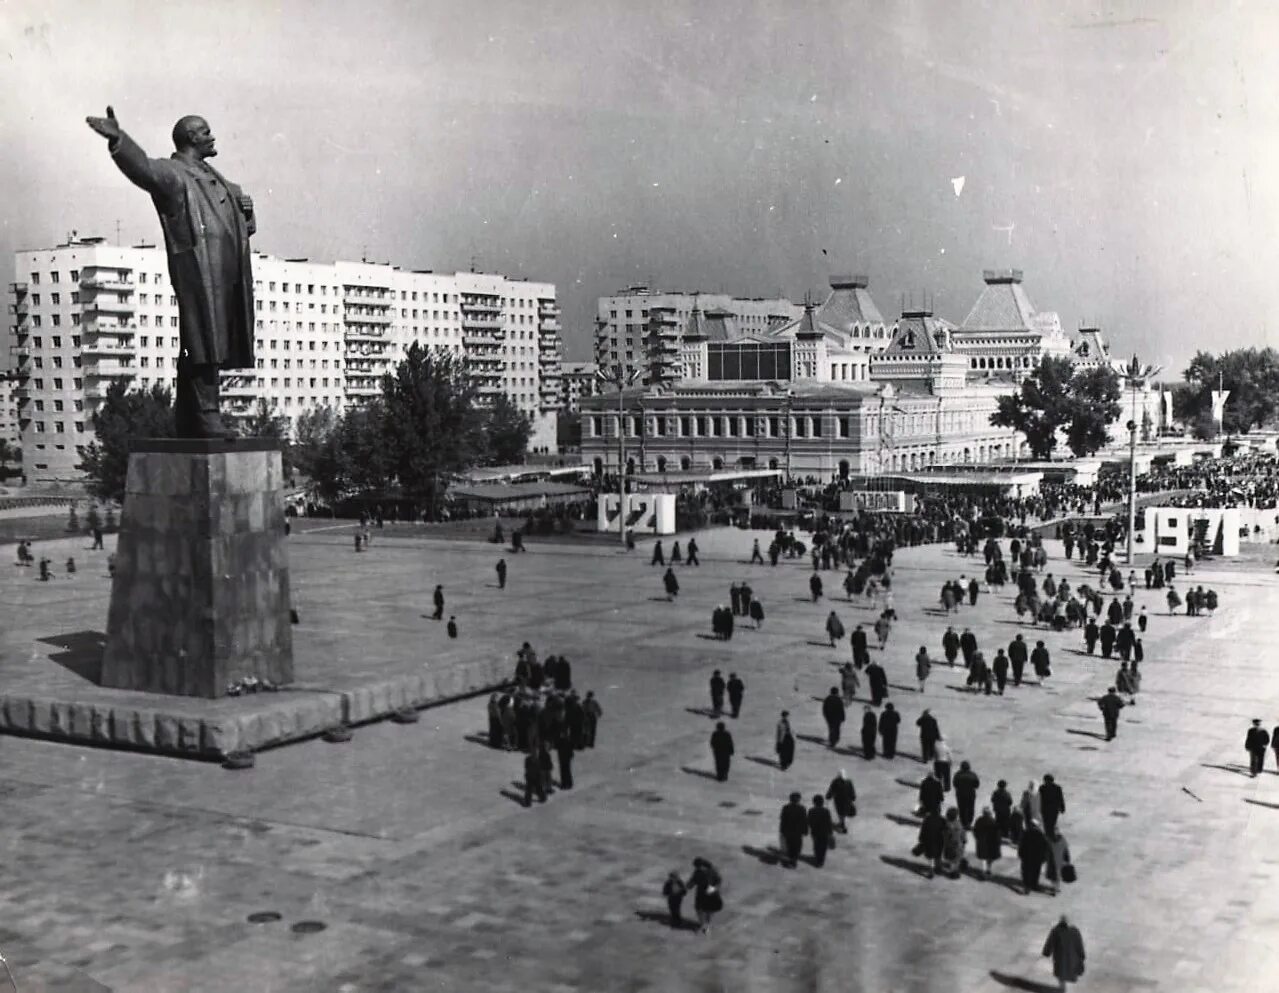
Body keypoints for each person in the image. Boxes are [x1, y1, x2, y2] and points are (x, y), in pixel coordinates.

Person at [86, 106, 256, 437]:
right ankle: (207, 415)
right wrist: (120, 141)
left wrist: (247, 217)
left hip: (226, 274)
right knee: (204, 340)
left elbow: (241, 231)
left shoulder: (219, 180)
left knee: (212, 342)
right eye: (206, 132)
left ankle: (190, 419)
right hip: (200, 273)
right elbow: (145, 169)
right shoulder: (175, 175)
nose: (212, 137)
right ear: (191, 138)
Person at [1043, 915, 1086, 991]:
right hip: (1072, 958)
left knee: (1061, 974)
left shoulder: (1056, 931)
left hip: (1060, 959)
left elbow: (1050, 943)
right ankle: (1065, 988)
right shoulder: (1074, 931)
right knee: (1070, 971)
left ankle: (1062, 988)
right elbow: (1079, 945)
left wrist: (1046, 952)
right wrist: (1082, 955)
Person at [686, 858, 722, 934]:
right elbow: (693, 880)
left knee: (709, 910)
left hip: (710, 893)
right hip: (701, 893)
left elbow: (718, 881)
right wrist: (688, 886)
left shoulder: (712, 871)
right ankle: (702, 924)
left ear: (703, 865)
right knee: (699, 909)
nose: (698, 868)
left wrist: (714, 888)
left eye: (699, 867)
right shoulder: (698, 872)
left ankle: (707, 925)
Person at [1018, 819, 1049, 894]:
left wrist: (1020, 854)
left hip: (1027, 857)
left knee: (1026, 872)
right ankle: (1034, 885)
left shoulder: (1026, 833)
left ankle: (1027, 887)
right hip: (1037, 858)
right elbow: (1045, 847)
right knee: (1036, 872)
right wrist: (1044, 857)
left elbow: (1021, 845)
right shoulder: (1041, 834)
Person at [779, 792, 808, 867]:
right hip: (798, 832)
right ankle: (794, 860)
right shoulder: (802, 808)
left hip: (788, 831)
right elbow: (804, 821)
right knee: (797, 846)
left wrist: (782, 830)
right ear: (799, 800)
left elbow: (783, 819)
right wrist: (805, 831)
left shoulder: (785, 807)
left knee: (789, 845)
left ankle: (791, 859)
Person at [916, 807, 947, 878]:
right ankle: (938, 868)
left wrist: (921, 839)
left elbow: (923, 830)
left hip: (929, 841)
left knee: (930, 857)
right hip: (939, 841)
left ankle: (931, 870)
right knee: (938, 855)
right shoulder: (942, 820)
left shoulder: (927, 819)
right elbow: (945, 831)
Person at [973, 806, 1001, 878]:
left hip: (982, 842)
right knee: (990, 858)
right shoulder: (993, 821)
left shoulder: (979, 820)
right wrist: (998, 842)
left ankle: (984, 871)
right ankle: (988, 870)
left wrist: (977, 838)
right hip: (991, 843)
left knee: (983, 858)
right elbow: (997, 833)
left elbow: (975, 831)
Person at [1044, 825, 1073, 896]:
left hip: (1053, 861)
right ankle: (1056, 888)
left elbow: (1065, 850)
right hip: (1057, 861)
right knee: (1056, 876)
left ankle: (1055, 888)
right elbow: (1066, 850)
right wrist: (1067, 859)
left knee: (1054, 876)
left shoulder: (1049, 840)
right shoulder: (1061, 839)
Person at [807, 796, 835, 867]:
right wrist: (830, 832)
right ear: (822, 802)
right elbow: (829, 822)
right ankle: (821, 861)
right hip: (825, 831)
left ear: (814, 802)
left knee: (816, 845)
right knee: (823, 846)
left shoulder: (811, 810)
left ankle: (817, 858)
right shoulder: (826, 811)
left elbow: (809, 821)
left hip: (815, 831)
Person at [953, 761, 981, 829]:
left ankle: (963, 822)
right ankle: (969, 822)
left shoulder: (958, 774)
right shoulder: (973, 774)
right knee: (970, 808)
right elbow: (976, 785)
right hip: (971, 794)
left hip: (960, 794)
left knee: (961, 808)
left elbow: (955, 784)